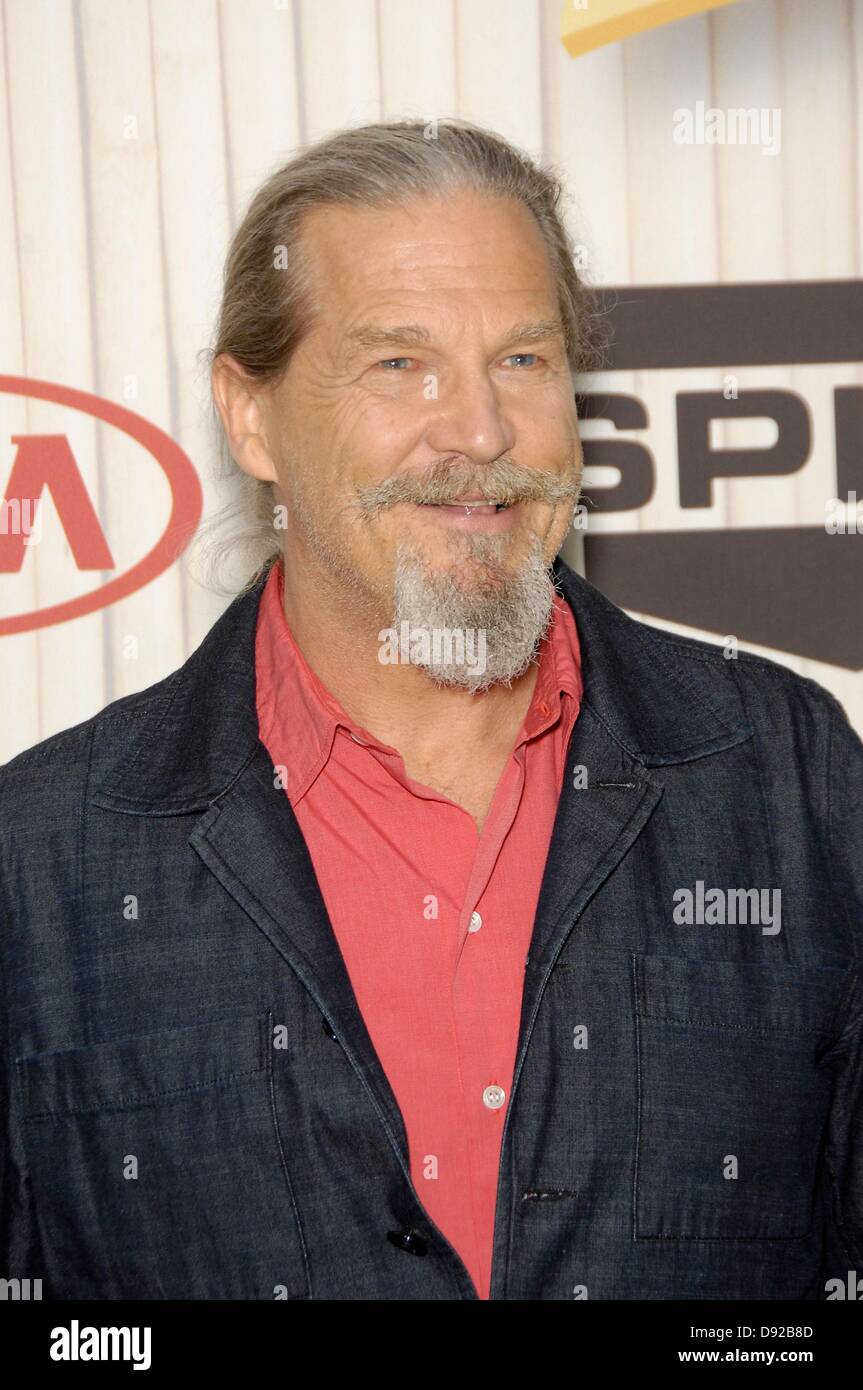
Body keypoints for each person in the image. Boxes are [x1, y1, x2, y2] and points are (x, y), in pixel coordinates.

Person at [1, 120, 860, 1301]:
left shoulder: (790, 778)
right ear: (250, 417)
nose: (479, 432)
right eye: (398, 362)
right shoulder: (43, 862)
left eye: (522, 359)